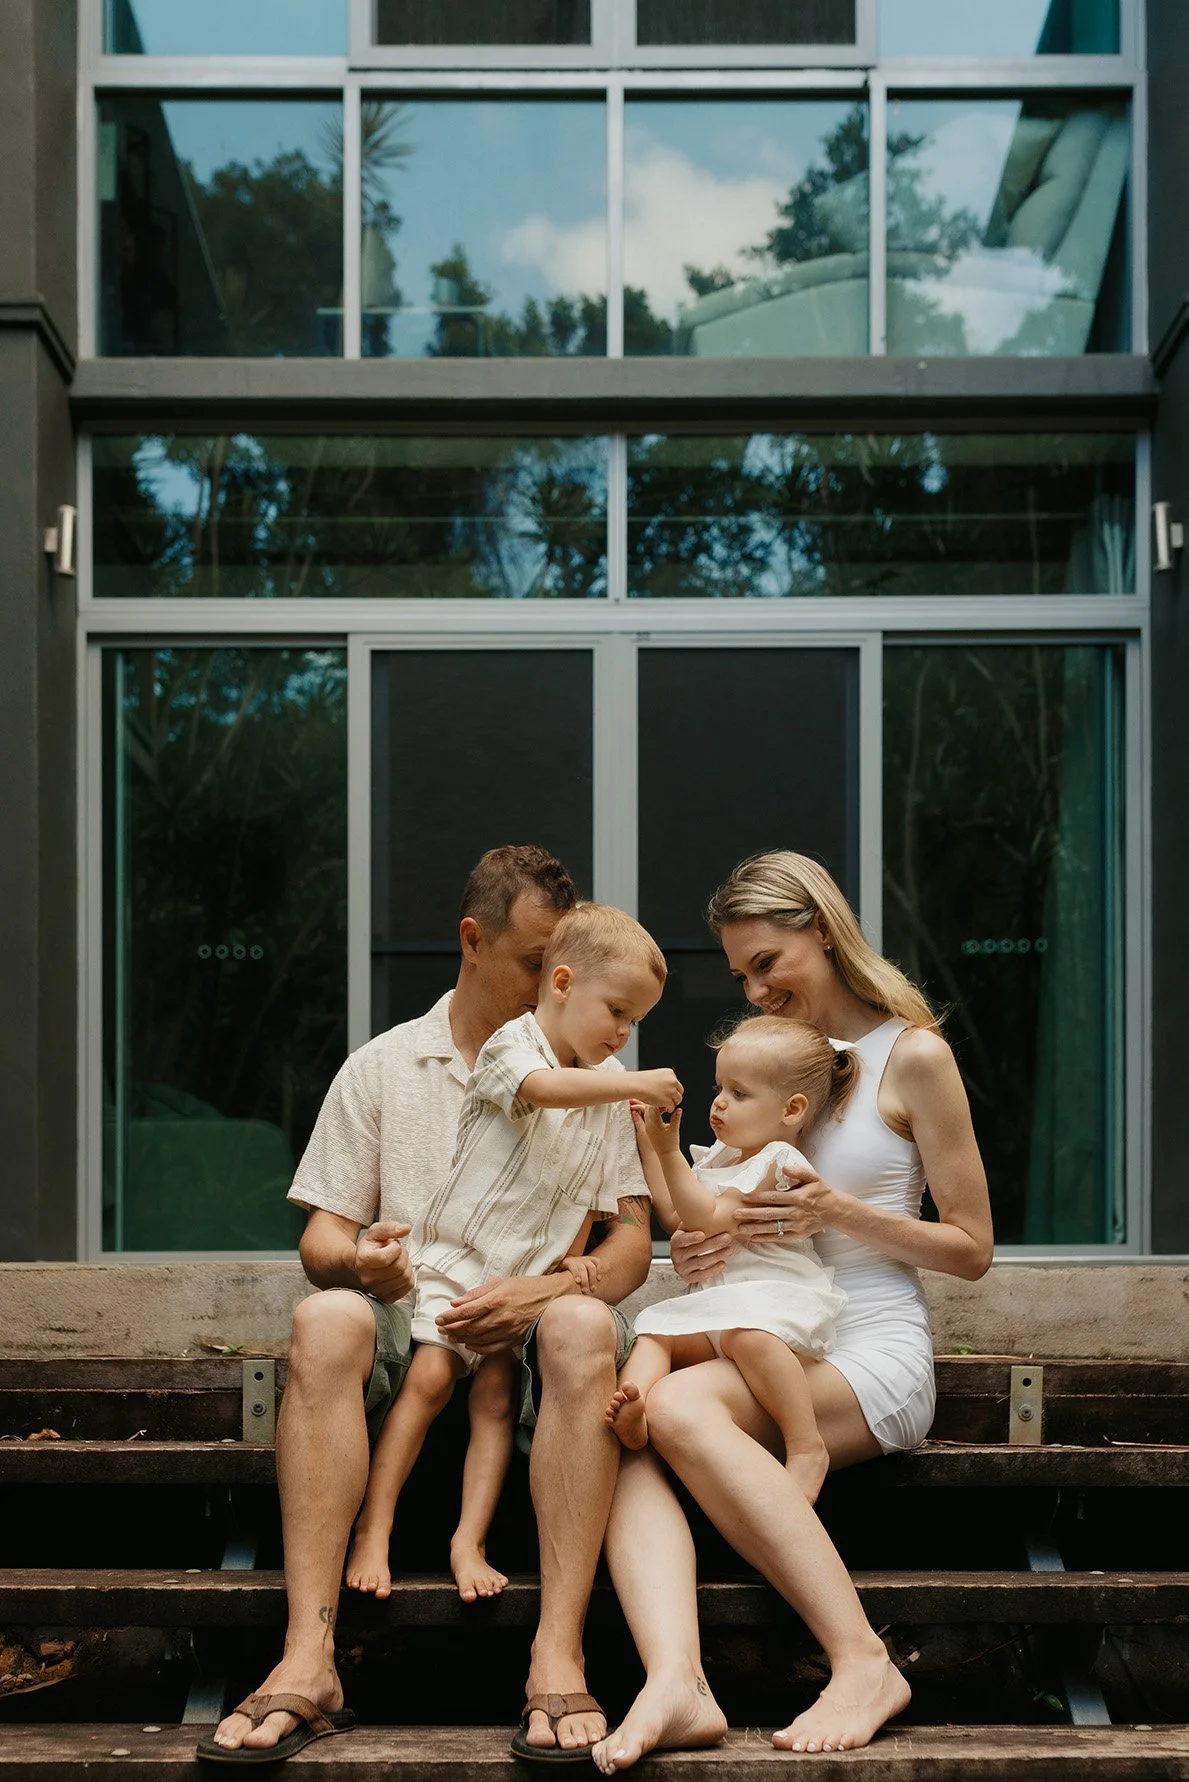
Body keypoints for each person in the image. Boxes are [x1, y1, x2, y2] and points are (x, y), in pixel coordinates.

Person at [197, 847, 655, 1767]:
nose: (548, 982)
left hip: (533, 1328)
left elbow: (633, 1245)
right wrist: (366, 1265)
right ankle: (308, 1656)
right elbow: (321, 1239)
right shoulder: (382, 1067)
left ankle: (556, 1653)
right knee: (322, 1317)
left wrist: (549, 1286)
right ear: (471, 940)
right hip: (418, 1318)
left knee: (575, 1323)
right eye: (532, 961)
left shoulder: (592, 1071)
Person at [593, 849, 994, 1772]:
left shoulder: (912, 1055)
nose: (756, 989)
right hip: (764, 1322)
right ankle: (676, 1682)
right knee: (626, 1421)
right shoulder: (765, 1066)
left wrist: (840, 1210)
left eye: (767, 963)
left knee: (680, 1407)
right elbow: (731, 1202)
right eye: (740, 974)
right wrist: (697, 1246)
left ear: (820, 928)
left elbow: (971, 1249)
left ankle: (861, 1662)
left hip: (866, 1348)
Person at [344, 902, 681, 1621]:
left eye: (634, 1021)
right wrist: (635, 1083)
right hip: (457, 1260)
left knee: (495, 1401)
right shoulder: (513, 1049)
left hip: (523, 1281)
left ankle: (468, 1541)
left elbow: (599, 1213)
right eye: (615, 1011)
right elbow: (540, 1091)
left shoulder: (607, 1082)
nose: (622, 1033)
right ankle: (374, 1527)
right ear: (561, 983)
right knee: (431, 1377)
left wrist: (557, 1278)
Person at [605, 1015, 852, 1505]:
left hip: (768, 1305)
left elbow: (711, 1216)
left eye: (739, 1093)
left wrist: (668, 1149)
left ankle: (806, 1445)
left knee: (749, 1337)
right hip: (715, 1305)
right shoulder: (720, 1156)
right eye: (720, 1087)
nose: (719, 1101)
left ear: (791, 1109)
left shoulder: (778, 1161)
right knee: (657, 1334)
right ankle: (633, 1408)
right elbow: (677, 1215)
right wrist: (650, 1145)